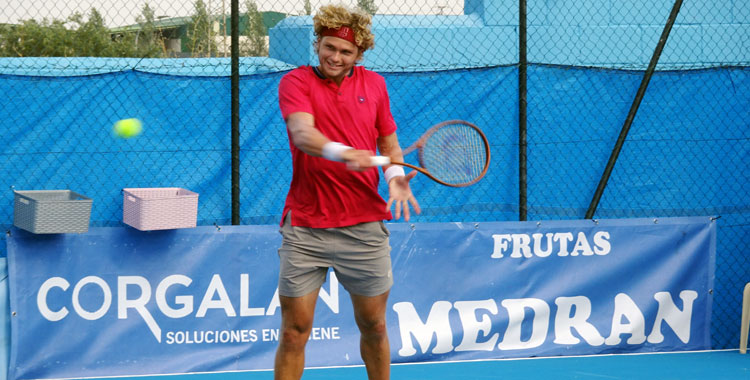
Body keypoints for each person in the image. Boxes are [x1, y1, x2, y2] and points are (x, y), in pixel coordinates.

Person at [274, 4, 420, 380]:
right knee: (294, 332)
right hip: (305, 226)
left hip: (364, 226)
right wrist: (342, 152)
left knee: (374, 326)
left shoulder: (375, 86)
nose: (334, 57)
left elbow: (389, 147)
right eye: (328, 47)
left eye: (345, 52)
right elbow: (303, 135)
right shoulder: (296, 82)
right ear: (318, 43)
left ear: (359, 55)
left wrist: (395, 178)